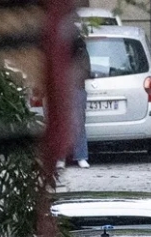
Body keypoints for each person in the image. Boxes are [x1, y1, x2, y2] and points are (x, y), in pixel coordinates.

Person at [56, 30, 91, 170]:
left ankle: (81, 156)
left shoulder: (81, 48)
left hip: (76, 87)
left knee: (78, 123)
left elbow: (85, 69)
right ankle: (60, 157)